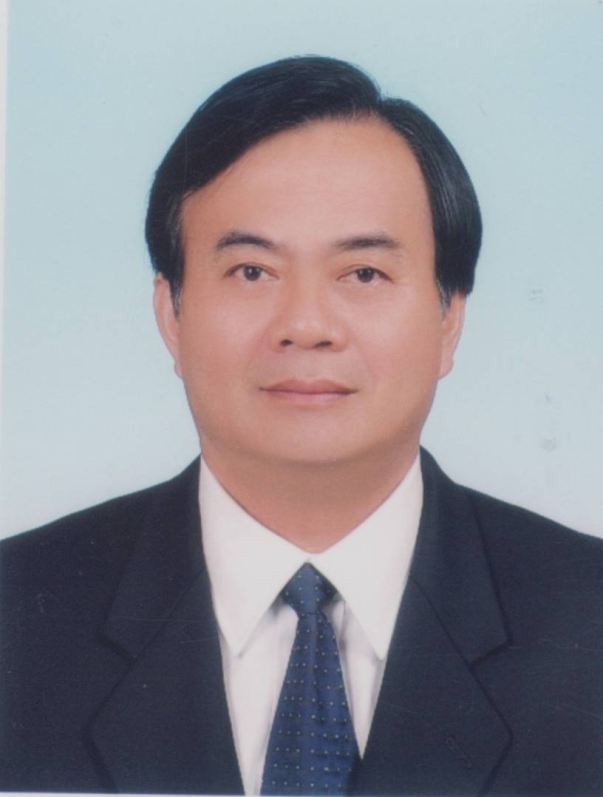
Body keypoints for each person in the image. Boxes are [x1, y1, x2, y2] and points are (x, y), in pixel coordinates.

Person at [1, 56, 601, 796]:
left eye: (363, 274)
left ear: (449, 318)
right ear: (171, 314)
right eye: (252, 271)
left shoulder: (589, 619)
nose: (307, 325)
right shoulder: (17, 615)